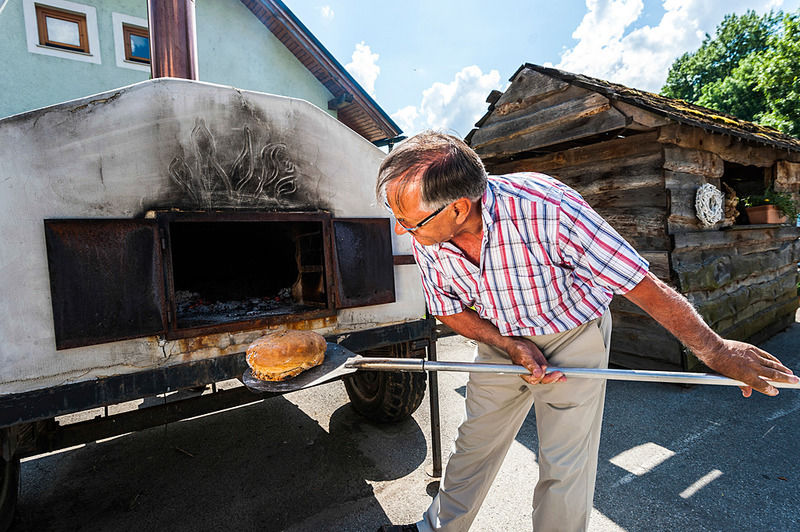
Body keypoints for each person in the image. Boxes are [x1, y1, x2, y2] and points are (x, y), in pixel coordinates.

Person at [375, 131, 798, 532]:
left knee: (564, 463)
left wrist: (716, 350)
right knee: (473, 445)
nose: (401, 229)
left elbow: (639, 284)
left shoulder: (547, 208)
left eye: (408, 221)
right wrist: (508, 344)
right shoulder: (428, 233)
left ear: (458, 208)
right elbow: (448, 310)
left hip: (572, 333)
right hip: (498, 336)